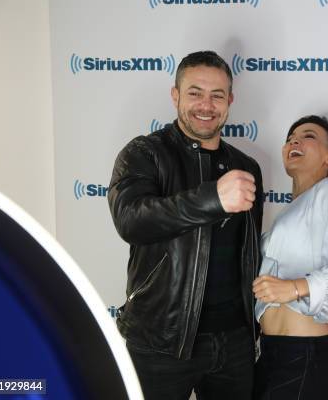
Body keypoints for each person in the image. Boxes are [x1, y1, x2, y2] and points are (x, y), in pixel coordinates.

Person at [107, 50, 263, 400]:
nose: (206, 105)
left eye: (217, 95)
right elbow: (131, 219)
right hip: (161, 341)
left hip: (234, 342)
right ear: (175, 95)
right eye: (195, 93)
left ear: (230, 101)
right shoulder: (145, 153)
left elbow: (247, 252)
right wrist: (213, 200)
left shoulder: (246, 166)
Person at [252, 115, 328, 400]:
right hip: (270, 353)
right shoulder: (289, 213)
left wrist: (293, 287)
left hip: (303, 356)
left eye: (308, 135)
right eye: (290, 137)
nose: (294, 141)